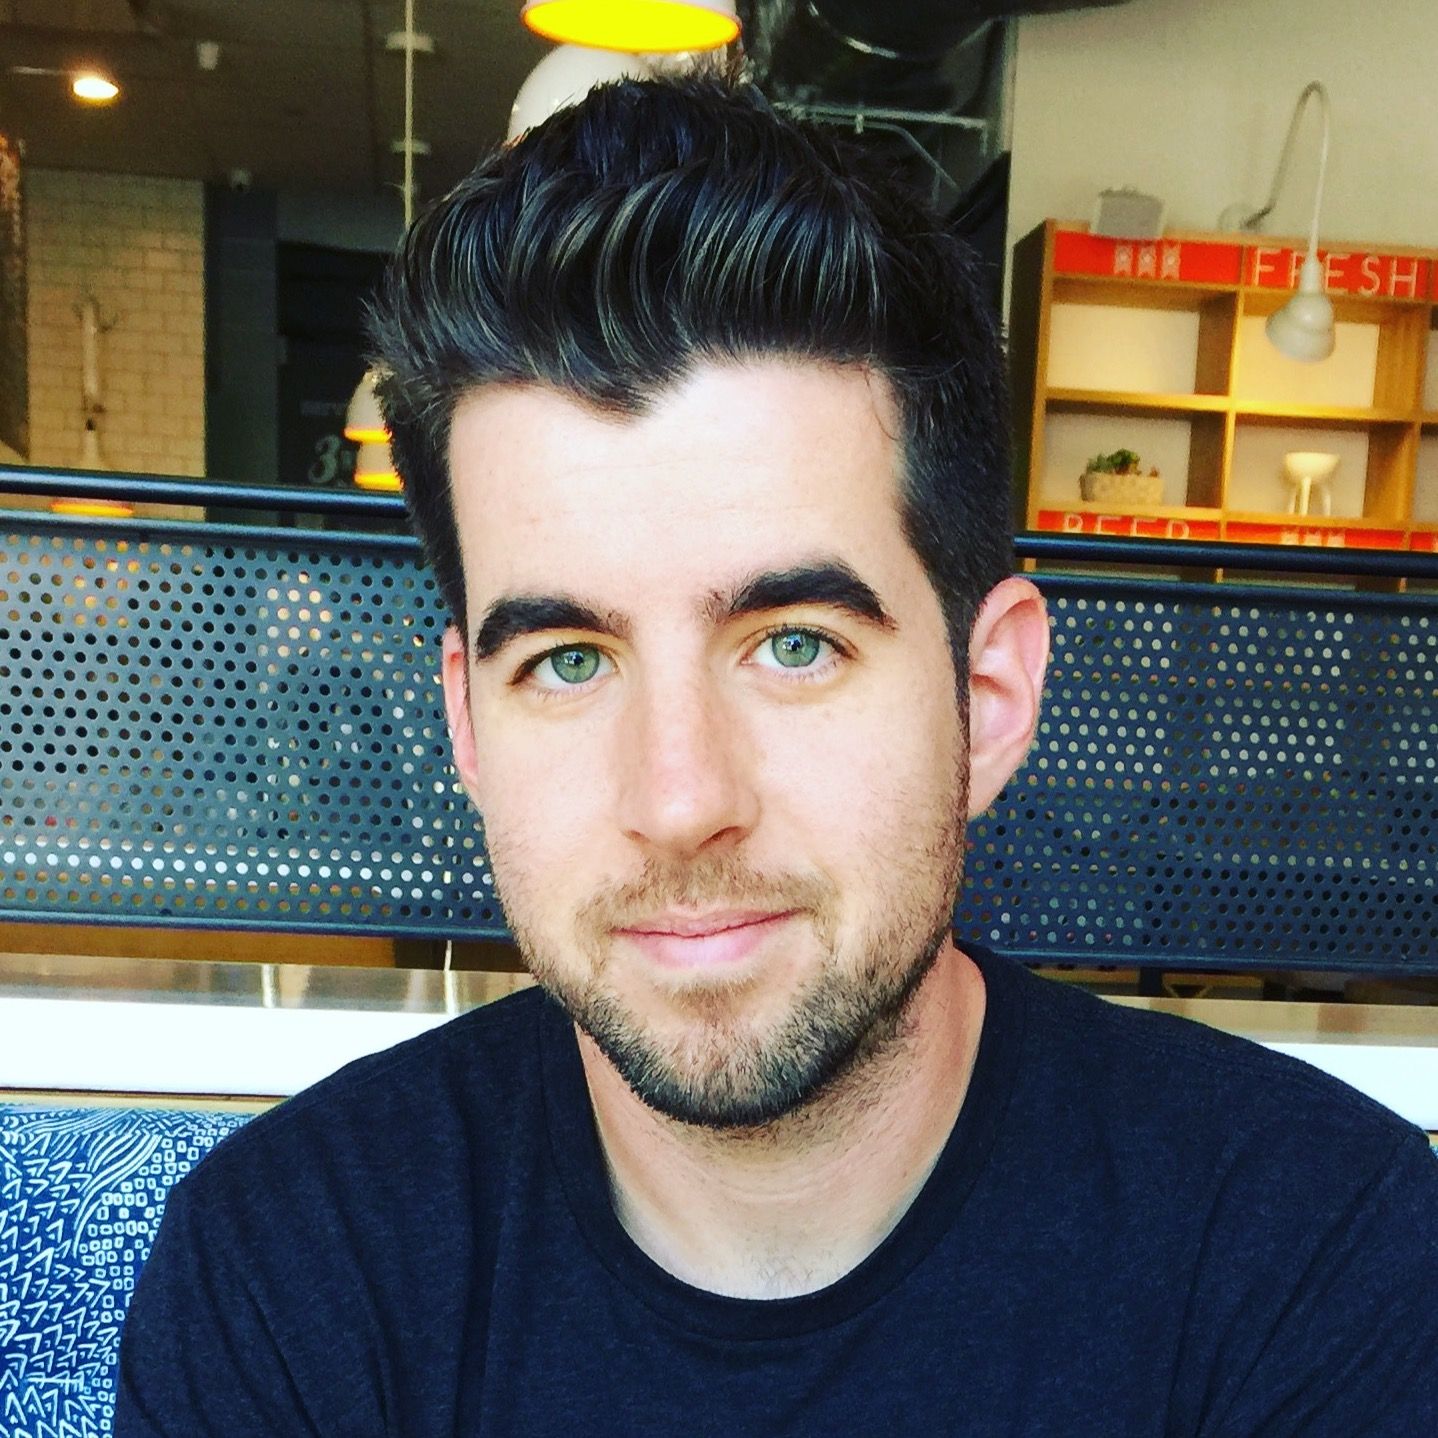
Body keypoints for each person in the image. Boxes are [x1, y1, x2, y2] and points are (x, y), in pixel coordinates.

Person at [115, 74, 1438, 1436]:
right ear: (466, 725)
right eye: (566, 661)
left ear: (988, 695)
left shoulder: (1321, 1265)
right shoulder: (286, 1276)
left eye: (794, 644)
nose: (681, 798)